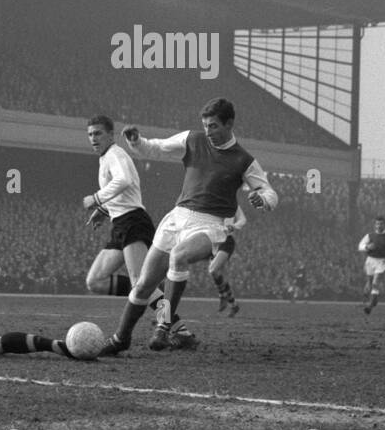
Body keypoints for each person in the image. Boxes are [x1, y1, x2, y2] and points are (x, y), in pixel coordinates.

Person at [101, 97, 278, 355]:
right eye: (205, 125)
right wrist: (137, 142)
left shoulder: (244, 160)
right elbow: (156, 149)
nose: (208, 131)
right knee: (143, 284)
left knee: (179, 256)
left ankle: (163, 324)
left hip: (209, 224)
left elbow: (270, 192)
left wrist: (262, 198)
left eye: (214, 126)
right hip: (177, 218)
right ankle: (121, 339)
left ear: (229, 124)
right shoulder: (193, 140)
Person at [81, 116, 162, 315]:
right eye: (90, 134)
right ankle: (154, 295)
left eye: (98, 133)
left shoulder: (115, 154)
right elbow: (125, 192)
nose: (93, 138)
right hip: (120, 224)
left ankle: (175, 325)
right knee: (95, 281)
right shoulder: (106, 157)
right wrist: (104, 210)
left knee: (140, 283)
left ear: (111, 135)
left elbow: (124, 180)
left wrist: (97, 198)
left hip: (132, 221)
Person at [209, 204, 245, 316]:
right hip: (214, 241)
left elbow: (242, 220)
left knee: (213, 269)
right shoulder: (212, 202)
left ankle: (222, 296)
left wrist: (233, 226)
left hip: (226, 240)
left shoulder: (233, 204)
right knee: (219, 275)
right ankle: (234, 305)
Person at [358, 216, 385, 316]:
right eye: (377, 224)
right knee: (370, 283)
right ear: (375, 225)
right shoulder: (370, 236)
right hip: (370, 260)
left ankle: (370, 306)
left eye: (381, 223)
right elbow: (361, 246)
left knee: (376, 282)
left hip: (382, 261)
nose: (379, 225)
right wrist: (367, 247)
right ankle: (373, 299)